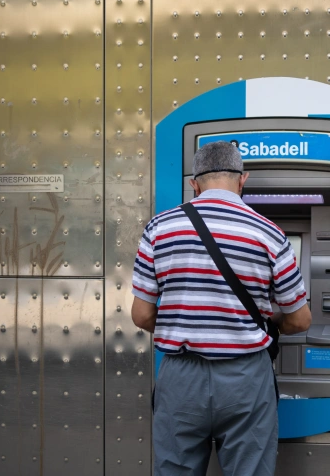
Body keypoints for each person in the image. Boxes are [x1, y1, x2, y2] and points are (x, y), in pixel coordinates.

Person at [131, 141, 312, 476]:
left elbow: (141, 315)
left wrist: (185, 324)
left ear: (194, 184)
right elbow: (300, 320)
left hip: (181, 377)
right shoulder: (270, 234)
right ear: (243, 180)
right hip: (246, 378)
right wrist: (271, 326)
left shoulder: (159, 229)